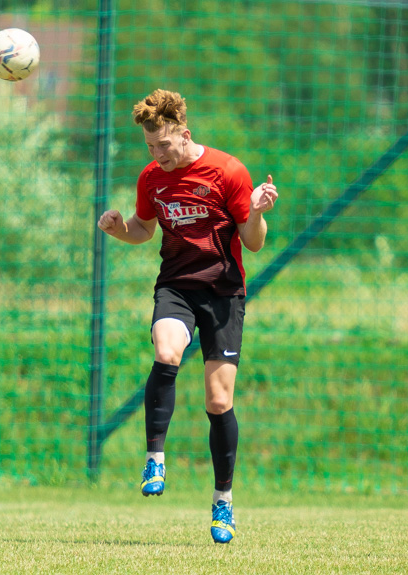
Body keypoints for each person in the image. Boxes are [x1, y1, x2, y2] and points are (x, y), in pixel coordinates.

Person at [97, 89, 277, 544]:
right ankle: (155, 457)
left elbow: (253, 242)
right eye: (150, 147)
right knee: (166, 350)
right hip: (176, 286)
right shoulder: (151, 178)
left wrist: (255, 213)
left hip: (222, 293)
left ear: (184, 134)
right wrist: (120, 231)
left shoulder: (228, 171)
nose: (158, 155)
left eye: (164, 145)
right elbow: (142, 228)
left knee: (218, 402)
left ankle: (223, 502)